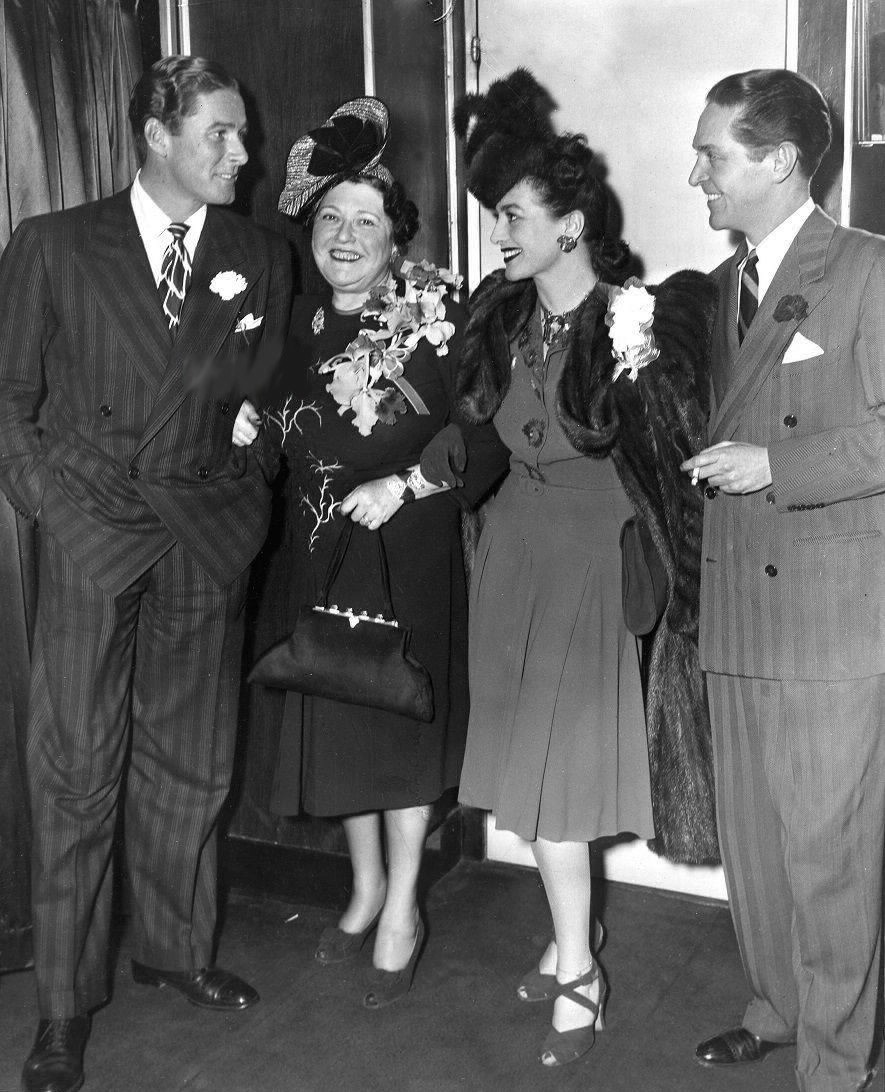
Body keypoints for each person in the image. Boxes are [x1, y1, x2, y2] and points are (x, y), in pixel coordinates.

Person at [0, 55, 292, 1092]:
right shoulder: (54, 245)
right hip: (93, 536)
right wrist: (51, 502)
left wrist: (249, 470)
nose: (243, 152)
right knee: (75, 772)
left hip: (205, 536)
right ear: (157, 134)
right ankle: (64, 1008)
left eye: (241, 132)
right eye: (221, 132)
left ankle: (176, 950)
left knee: (194, 764)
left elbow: (269, 393)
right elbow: (10, 397)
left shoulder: (259, 253)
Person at [450, 69, 718, 1069]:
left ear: (571, 226)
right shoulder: (507, 317)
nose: (500, 235)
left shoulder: (630, 320)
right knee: (530, 786)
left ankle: (581, 975)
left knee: (560, 798)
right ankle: (573, 939)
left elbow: (666, 461)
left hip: (587, 574)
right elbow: (481, 438)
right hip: (512, 564)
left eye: (513, 217)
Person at [241, 96, 507, 1010]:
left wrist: (407, 484)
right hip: (314, 553)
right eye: (331, 219)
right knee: (335, 719)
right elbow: (274, 428)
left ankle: (403, 904)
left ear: (399, 241)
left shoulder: (439, 318)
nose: (345, 236)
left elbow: (488, 435)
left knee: (393, 729)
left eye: (367, 222)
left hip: (404, 551)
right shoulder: (301, 326)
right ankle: (360, 888)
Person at [682, 69, 885, 1092]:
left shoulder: (868, 270)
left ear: (778, 162)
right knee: (756, 847)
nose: (696, 175)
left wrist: (780, 465)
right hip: (738, 604)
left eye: (712, 155)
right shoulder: (726, 286)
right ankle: (775, 1007)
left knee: (828, 857)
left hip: (829, 617)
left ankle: (841, 1064)